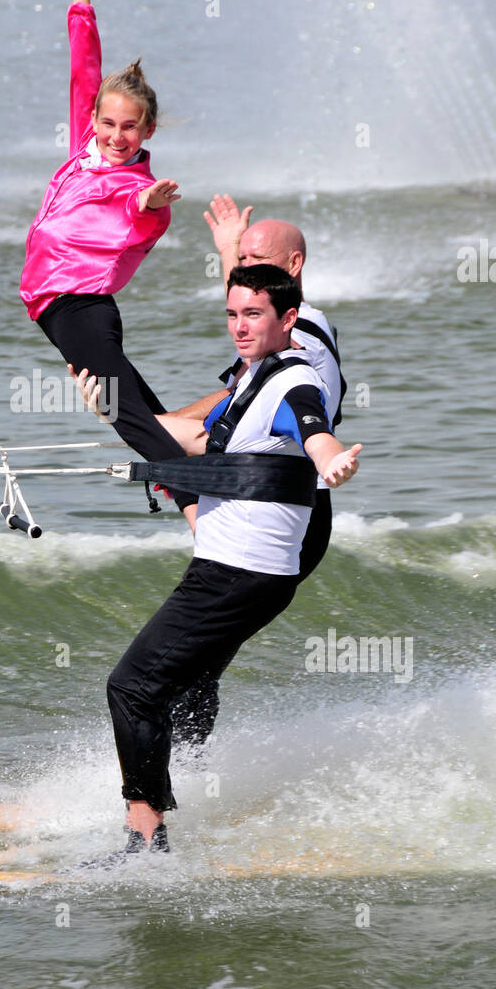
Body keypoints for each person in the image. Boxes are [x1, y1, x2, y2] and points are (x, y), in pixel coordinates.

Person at [101, 264, 361, 852]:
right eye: (232, 314)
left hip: (237, 572)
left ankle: (146, 839)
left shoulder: (296, 383)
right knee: (180, 684)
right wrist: (111, 409)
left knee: (133, 686)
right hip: (242, 571)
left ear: (287, 319)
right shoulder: (252, 380)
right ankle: (177, 790)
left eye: (253, 315)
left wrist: (334, 460)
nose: (239, 327)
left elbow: (317, 434)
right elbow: (191, 440)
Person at [19, 0, 200, 528]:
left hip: (80, 305)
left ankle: (198, 502)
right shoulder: (82, 147)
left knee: (127, 413)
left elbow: (137, 215)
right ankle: (211, 450)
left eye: (130, 128)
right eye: (108, 124)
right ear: (93, 119)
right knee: (139, 413)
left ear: (147, 132)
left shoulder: (132, 184)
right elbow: (83, 61)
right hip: (55, 307)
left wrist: (150, 202)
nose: (117, 136)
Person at [167, 200, 347, 741]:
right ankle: (187, 771)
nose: (242, 271)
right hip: (254, 501)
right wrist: (228, 247)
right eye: (240, 260)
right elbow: (251, 299)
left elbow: (246, 397)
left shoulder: (304, 340)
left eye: (255, 258)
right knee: (194, 660)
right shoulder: (280, 318)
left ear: (293, 266)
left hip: (289, 510)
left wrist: (163, 426)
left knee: (192, 661)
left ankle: (182, 780)